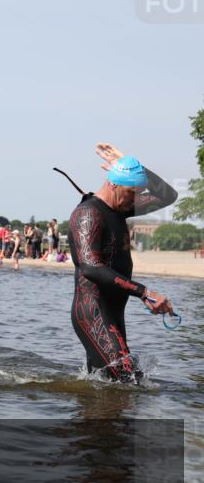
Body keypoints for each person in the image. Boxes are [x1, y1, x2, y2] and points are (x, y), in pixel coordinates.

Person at [67, 143, 176, 383]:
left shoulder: (120, 209)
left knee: (107, 387)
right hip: (92, 313)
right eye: (132, 192)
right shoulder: (88, 213)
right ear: (113, 183)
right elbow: (90, 267)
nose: (136, 199)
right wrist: (144, 292)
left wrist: (130, 162)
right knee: (128, 382)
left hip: (114, 313)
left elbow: (168, 194)